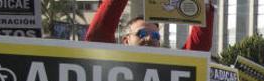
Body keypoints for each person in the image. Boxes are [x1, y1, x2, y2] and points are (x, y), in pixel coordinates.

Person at [85, 0, 214, 50]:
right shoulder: (109, 62)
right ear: (126, 40)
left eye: (155, 35)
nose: (149, 38)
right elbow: (98, 36)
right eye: (142, 34)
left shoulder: (171, 70)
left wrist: (204, 8)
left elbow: (197, 51)